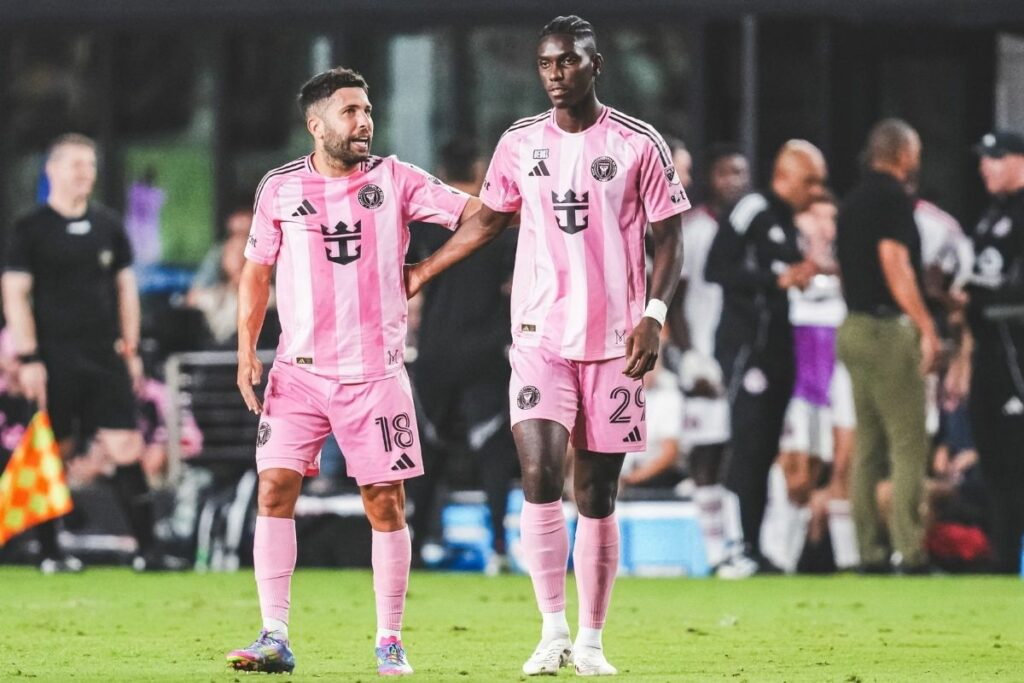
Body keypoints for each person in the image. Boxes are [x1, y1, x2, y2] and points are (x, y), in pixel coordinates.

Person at [407, 15, 688, 676]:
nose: (556, 74)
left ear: (595, 65)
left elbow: (671, 237)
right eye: (546, 63)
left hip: (616, 344)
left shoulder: (638, 143)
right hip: (539, 337)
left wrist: (654, 314)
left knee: (595, 492)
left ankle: (591, 640)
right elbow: (489, 219)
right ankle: (552, 630)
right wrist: (423, 269)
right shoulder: (519, 142)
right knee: (537, 474)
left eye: (568, 61)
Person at [225, 67, 479, 676]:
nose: (364, 121)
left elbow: (481, 214)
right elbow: (256, 273)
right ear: (316, 125)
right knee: (273, 488)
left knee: (385, 503)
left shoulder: (396, 179)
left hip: (375, 376)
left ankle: (389, 639)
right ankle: (273, 635)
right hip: (298, 373)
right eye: (350, 112)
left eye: (367, 110)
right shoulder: (279, 188)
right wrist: (246, 350)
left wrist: (425, 270)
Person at [1, 133, 165, 573]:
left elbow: (126, 289)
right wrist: (29, 358)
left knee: (125, 444)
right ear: (52, 170)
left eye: (90, 165)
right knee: (54, 448)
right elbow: (15, 295)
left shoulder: (108, 225)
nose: (84, 173)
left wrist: (130, 347)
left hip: (104, 355)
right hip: (53, 357)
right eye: (75, 164)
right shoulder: (30, 228)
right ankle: (50, 552)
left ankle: (148, 550)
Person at [704, 140, 826, 572]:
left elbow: (781, 274)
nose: (816, 191)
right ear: (783, 176)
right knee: (747, 441)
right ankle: (735, 548)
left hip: (777, 343)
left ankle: (755, 548)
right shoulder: (751, 209)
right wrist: (776, 280)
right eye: (809, 181)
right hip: (746, 346)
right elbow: (717, 268)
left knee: (767, 445)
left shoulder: (788, 222)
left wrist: (800, 276)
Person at [406, 138, 518, 573]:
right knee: (493, 449)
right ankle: (500, 547)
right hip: (486, 349)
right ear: (478, 170)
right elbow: (515, 285)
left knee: (428, 448)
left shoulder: (426, 224)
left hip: (436, 350)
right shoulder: (497, 221)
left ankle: (414, 545)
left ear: (440, 172)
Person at [835, 118, 940, 574]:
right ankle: (910, 552)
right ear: (902, 154)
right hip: (886, 329)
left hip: (853, 326)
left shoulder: (851, 201)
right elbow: (894, 263)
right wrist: (926, 326)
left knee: (867, 445)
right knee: (908, 443)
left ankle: (868, 552)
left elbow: (848, 268)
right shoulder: (894, 198)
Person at [666, 143, 751, 575]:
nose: (733, 182)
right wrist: (689, 356)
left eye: (740, 173)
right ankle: (716, 550)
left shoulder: (752, 224)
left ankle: (736, 545)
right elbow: (674, 297)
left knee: (740, 451)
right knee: (707, 453)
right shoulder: (695, 227)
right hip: (704, 354)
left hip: (742, 354)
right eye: (724, 173)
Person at [945, 130, 1024, 573]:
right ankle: (1003, 556)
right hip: (989, 349)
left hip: (1017, 349)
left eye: (994, 157)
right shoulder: (992, 215)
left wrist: (983, 299)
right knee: (994, 452)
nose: (984, 166)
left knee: (1016, 450)